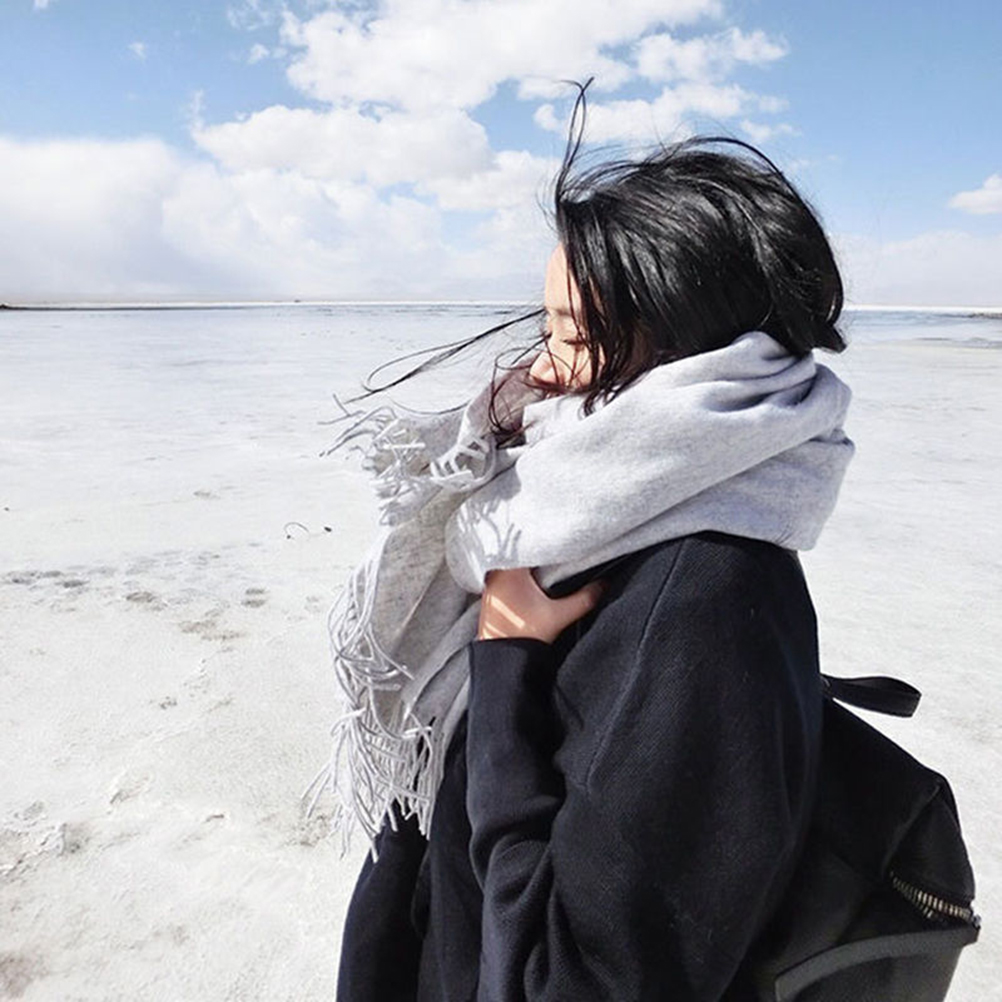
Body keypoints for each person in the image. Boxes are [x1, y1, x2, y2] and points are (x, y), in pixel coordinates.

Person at [320, 82, 855, 1001]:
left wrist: (505, 664)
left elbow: (577, 980)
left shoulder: (706, 605)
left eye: (575, 334)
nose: (538, 368)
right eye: (546, 325)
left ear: (690, 358)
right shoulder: (587, 522)